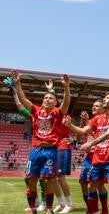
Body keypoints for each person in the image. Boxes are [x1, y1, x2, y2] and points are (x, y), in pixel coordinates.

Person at [12, 71, 71, 214]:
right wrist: (18, 83)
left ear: (55, 102)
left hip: (51, 151)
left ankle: (49, 209)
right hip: (36, 150)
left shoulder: (57, 113)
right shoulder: (36, 111)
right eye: (45, 97)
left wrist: (66, 87)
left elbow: (66, 103)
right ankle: (33, 208)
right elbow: (23, 99)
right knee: (30, 179)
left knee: (49, 180)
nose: (47, 99)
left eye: (50, 98)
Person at [64, 91, 109, 214]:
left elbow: (108, 134)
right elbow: (83, 130)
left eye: (108, 98)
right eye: (104, 97)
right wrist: (70, 125)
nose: (104, 99)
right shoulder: (97, 119)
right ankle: (94, 211)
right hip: (97, 160)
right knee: (91, 186)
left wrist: (91, 144)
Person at [44, 79, 74, 214]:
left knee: (60, 177)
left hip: (63, 147)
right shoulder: (51, 114)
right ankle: (61, 203)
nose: (48, 100)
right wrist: (50, 90)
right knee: (51, 177)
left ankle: (69, 203)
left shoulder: (62, 112)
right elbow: (51, 103)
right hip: (53, 148)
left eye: (52, 99)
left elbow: (63, 103)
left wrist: (58, 90)